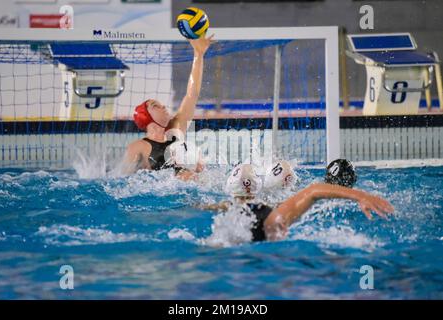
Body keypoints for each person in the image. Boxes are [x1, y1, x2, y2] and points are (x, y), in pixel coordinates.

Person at [202, 163, 394, 242]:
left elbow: (313, 191)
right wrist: (361, 196)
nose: (285, 231)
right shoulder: (274, 218)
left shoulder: (225, 222)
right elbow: (313, 191)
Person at [122, 34, 215, 180]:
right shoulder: (138, 147)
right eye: (155, 106)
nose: (163, 106)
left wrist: (199, 54)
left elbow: (192, 94)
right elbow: (124, 181)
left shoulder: (177, 127)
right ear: (146, 117)